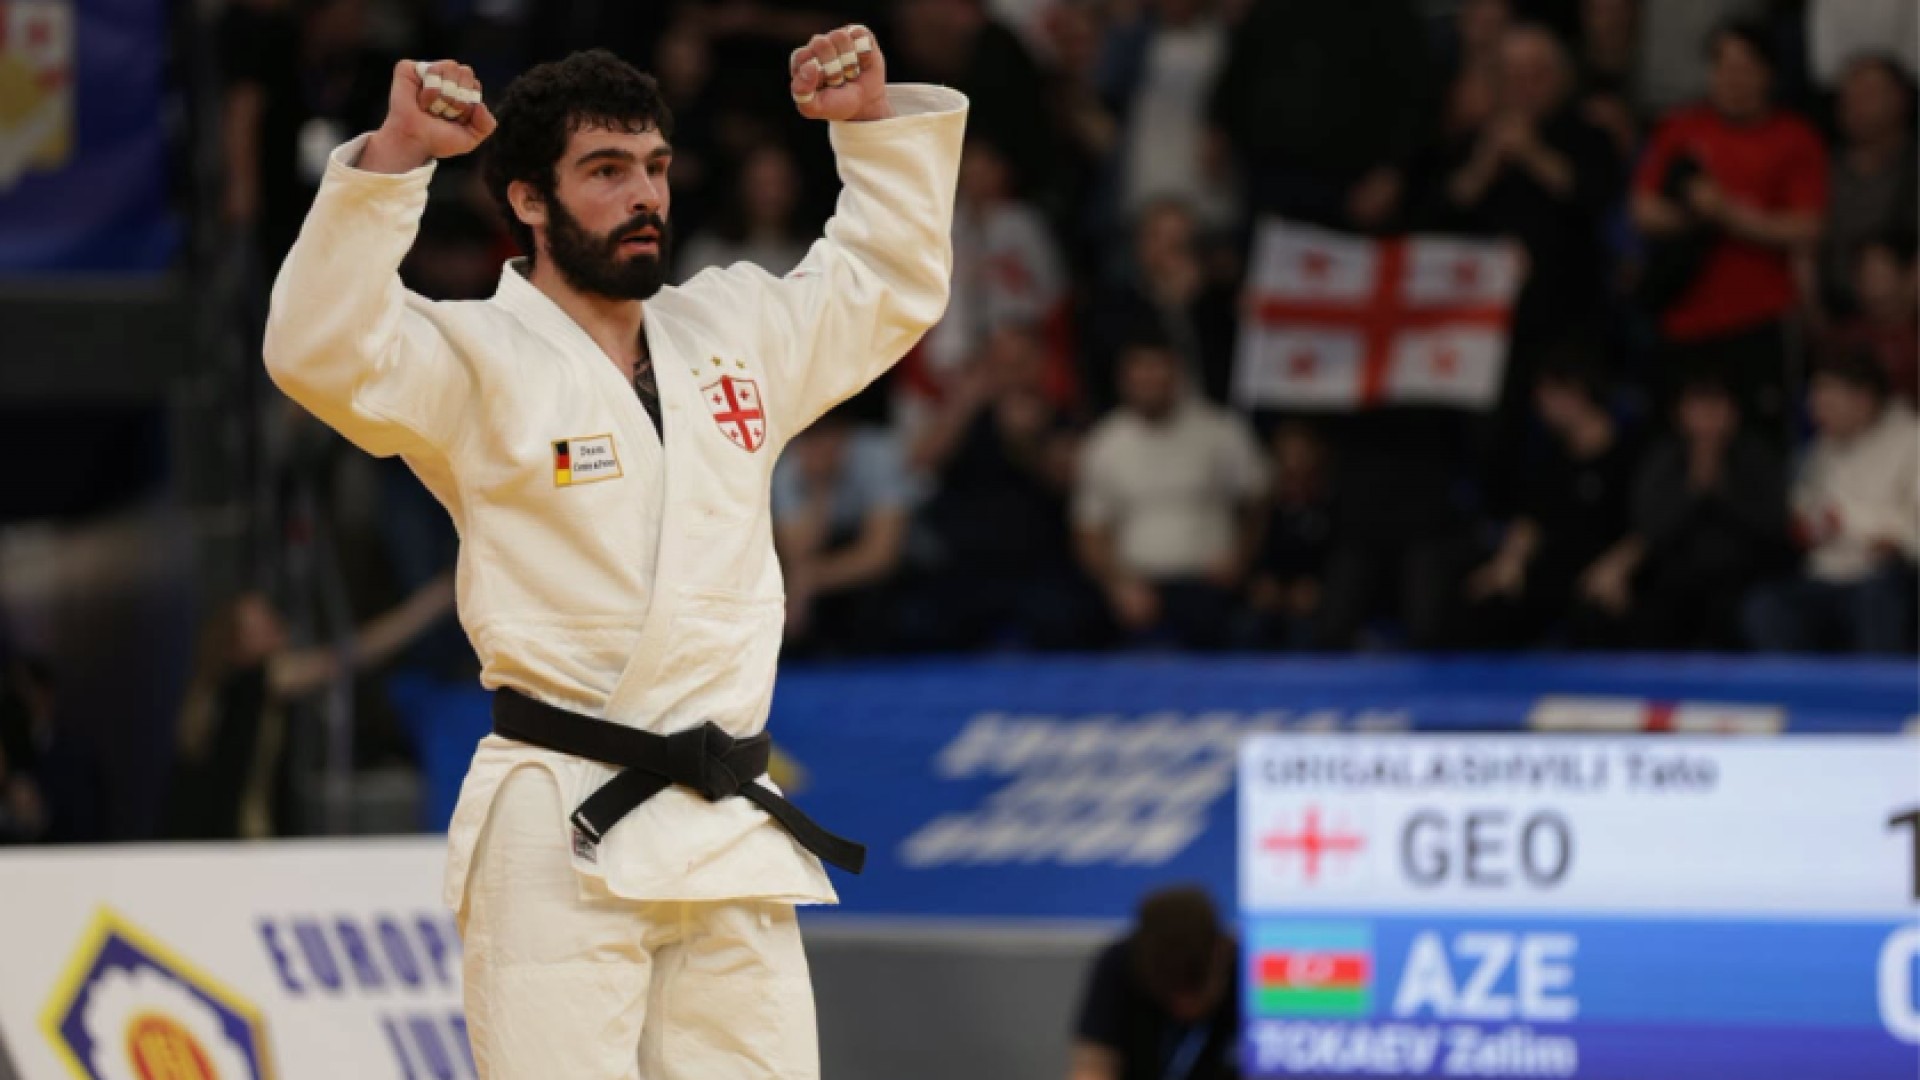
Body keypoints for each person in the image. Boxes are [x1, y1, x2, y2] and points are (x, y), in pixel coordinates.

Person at [262, 39, 965, 1078]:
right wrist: (396, 160)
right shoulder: (475, 360)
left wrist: (867, 127)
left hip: (726, 829)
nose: (644, 196)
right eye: (606, 171)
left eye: (656, 167)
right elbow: (317, 350)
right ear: (529, 201)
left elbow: (888, 282)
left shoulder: (732, 330)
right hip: (558, 820)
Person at [1631, 21, 1829, 439]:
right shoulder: (1681, 127)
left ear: (1768, 74)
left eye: (1745, 67)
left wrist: (1728, 214)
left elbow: (1807, 226)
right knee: (1680, 442)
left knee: (1759, 439)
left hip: (1759, 319)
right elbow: (1644, 210)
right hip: (1685, 316)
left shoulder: (1794, 137)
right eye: (1722, 66)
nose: (1732, 78)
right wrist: (1697, 214)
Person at [164, 575, 457, 840]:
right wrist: (428, 606)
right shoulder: (254, 682)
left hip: (215, 840)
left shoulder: (208, 693)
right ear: (237, 642)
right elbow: (350, 655)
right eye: (261, 625)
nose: (275, 624)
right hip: (232, 840)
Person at [1075, 334, 1267, 650]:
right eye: (1140, 372)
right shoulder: (1104, 443)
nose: (1149, 380)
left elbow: (1257, 499)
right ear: (1123, 379)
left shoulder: (1220, 430)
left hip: (1207, 581)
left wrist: (1241, 558)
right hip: (1134, 583)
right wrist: (1118, 585)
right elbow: (1089, 531)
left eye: (1157, 370)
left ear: (1177, 374)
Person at [1574, 374, 1785, 650]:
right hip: (1673, 581)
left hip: (1743, 580)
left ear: (1734, 412)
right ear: (1680, 413)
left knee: (1751, 611)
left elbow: (1773, 525)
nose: (1708, 417)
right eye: (1699, 406)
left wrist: (1723, 489)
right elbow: (1649, 529)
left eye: (1716, 406)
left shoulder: (1756, 455)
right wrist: (1693, 490)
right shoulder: (1663, 457)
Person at [1459, 353, 1641, 648]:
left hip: (1611, 570)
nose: (1541, 405)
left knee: (1598, 614)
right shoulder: (1549, 457)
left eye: (1549, 394)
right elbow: (1531, 518)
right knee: (1487, 602)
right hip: (1556, 569)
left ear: (1577, 393)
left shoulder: (1631, 455)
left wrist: (1616, 568)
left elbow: (1647, 529)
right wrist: (1509, 562)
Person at [1745, 351, 1918, 653]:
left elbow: (1910, 533)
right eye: (1815, 403)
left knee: (1877, 602)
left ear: (1863, 400)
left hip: (1886, 577)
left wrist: (1853, 524)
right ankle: (1800, 684)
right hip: (1826, 576)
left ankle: (1877, 685)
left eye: (1828, 404)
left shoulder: (1912, 441)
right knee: (1765, 606)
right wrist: (1805, 527)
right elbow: (1803, 510)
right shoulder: (1820, 449)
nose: (1817, 413)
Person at [772, 407, 914, 656]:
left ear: (846, 432)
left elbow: (882, 555)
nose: (822, 446)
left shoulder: (877, 454)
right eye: (811, 437)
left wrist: (812, 579)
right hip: (824, 562)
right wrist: (819, 489)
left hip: (892, 570)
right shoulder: (789, 465)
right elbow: (798, 556)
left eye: (829, 434)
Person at [1071, 885, 1239, 1080]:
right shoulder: (1119, 965)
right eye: (1171, 991)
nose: (1183, 1006)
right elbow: (1093, 1064)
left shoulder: (1251, 972)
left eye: (1195, 988)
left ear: (1220, 954)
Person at [1814, 55, 1917, 317]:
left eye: (1868, 94)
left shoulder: (1912, 164)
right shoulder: (1820, 165)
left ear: (1901, 99)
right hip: (1837, 314)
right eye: (1848, 95)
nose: (1854, 103)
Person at [1821, 230, 1919, 404]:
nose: (1873, 282)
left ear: (1908, 275)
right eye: (1865, 272)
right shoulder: (1846, 338)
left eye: (1881, 272)